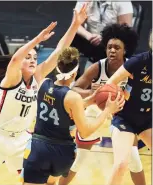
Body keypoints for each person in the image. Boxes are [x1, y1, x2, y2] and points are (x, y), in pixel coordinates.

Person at [0, 4, 88, 185]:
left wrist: (75, 24)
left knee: (35, 181)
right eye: (28, 57)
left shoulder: (38, 77)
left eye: (34, 57)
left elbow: (59, 51)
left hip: (21, 140)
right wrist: (38, 39)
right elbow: (16, 59)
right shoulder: (11, 79)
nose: (32, 60)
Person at [22, 46, 124, 185]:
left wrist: (92, 100)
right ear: (75, 74)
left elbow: (61, 103)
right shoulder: (73, 98)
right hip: (63, 154)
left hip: (39, 149)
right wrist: (106, 110)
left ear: (58, 67)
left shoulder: (43, 84)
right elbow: (85, 130)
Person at [59, 23, 146, 185]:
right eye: (109, 47)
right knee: (80, 157)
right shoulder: (98, 67)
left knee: (133, 159)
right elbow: (75, 88)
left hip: (121, 114)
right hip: (95, 111)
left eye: (116, 48)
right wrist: (92, 93)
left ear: (125, 50)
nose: (112, 50)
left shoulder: (133, 67)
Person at [105, 30, 152, 185]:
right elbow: (110, 84)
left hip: (148, 119)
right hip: (125, 117)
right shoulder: (139, 61)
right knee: (121, 165)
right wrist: (113, 102)